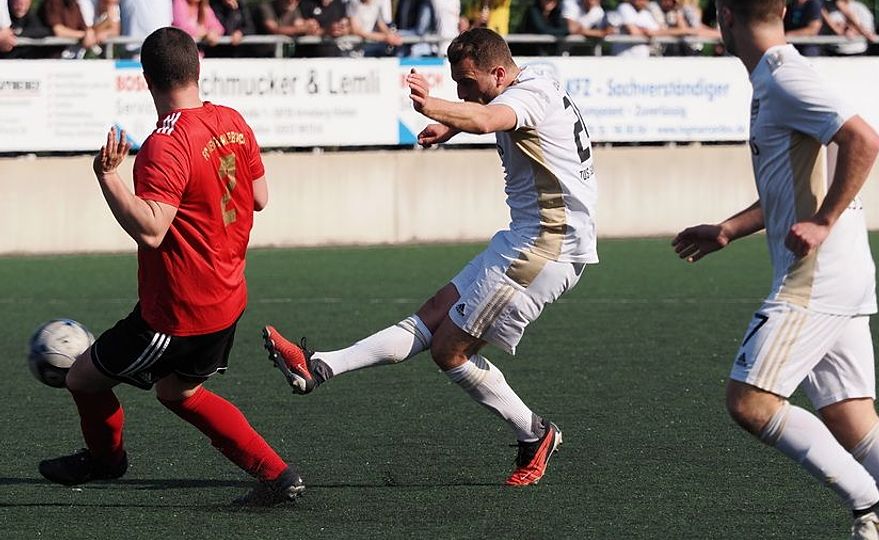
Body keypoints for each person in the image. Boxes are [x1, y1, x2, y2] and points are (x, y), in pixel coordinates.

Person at [671, 0, 879, 538]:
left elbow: (864, 140)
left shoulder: (784, 78)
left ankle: (865, 498)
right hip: (841, 271)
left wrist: (824, 222)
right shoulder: (776, 79)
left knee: (750, 401)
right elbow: (796, 184)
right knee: (854, 419)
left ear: (724, 16)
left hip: (818, 276)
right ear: (782, 9)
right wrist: (730, 228)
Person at [263, 27, 599, 487]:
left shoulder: (527, 97)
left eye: (467, 82)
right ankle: (319, 366)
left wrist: (433, 107)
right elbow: (489, 113)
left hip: (546, 248)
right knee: (433, 313)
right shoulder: (531, 80)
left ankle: (534, 433)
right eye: (456, 84)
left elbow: (488, 119)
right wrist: (450, 124)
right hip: (526, 238)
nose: (462, 93)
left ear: (499, 74)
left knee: (449, 351)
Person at [37, 27, 305, 508]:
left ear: (147, 79)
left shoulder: (165, 143)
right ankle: (277, 475)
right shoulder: (232, 120)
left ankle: (106, 461)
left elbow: (152, 230)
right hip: (228, 298)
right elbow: (260, 197)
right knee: (177, 392)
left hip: (177, 313)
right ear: (198, 67)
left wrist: (108, 177)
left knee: (82, 379)